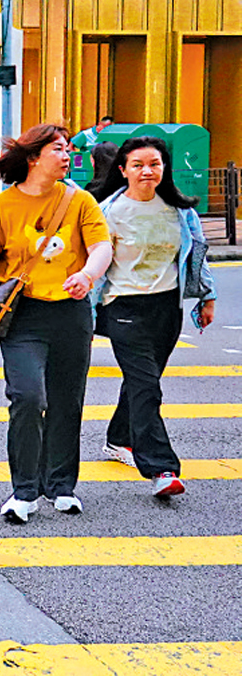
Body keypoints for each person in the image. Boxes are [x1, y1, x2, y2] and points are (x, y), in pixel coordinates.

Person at [0, 124, 112, 523]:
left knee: (67, 401)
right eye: (58, 149)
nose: (67, 155)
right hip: (22, 316)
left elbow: (102, 247)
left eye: (68, 149)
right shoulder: (2, 205)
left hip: (71, 313)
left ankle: (61, 486)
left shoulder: (80, 201)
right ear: (32, 158)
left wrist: (87, 276)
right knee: (27, 397)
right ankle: (24, 491)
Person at [88, 136, 214, 499]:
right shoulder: (108, 211)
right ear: (123, 169)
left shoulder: (180, 210)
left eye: (155, 164)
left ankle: (118, 439)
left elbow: (197, 256)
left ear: (164, 168)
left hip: (166, 307)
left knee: (143, 381)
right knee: (147, 386)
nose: (147, 171)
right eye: (138, 165)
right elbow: (93, 261)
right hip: (123, 305)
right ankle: (161, 468)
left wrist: (207, 297)